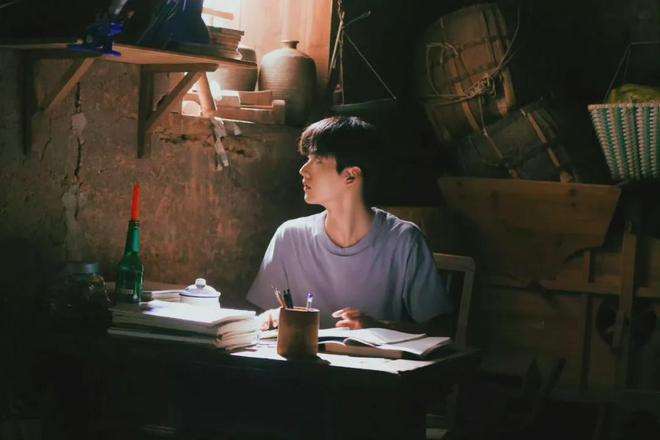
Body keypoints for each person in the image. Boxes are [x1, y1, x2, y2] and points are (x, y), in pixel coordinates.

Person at [247, 116, 453, 335]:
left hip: (374, 358)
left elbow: (441, 330)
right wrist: (269, 317)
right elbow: (262, 317)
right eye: (307, 159)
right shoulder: (290, 236)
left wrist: (379, 327)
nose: (303, 170)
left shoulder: (404, 240)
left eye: (318, 160)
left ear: (351, 176)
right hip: (302, 357)